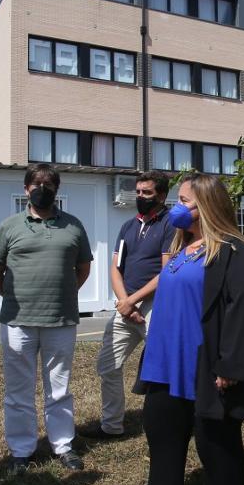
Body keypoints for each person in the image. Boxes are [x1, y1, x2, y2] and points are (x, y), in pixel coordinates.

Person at [134, 173, 244, 485]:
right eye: (177, 200)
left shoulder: (235, 250)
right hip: (166, 359)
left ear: (207, 206)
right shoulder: (182, 247)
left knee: (215, 438)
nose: (176, 208)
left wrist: (230, 365)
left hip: (205, 362)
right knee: (161, 426)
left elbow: (243, 312)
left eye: (184, 202)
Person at [0, 164, 93, 474]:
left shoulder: (73, 226)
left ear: (57, 190)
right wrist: (12, 297)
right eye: (36, 183)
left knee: (59, 388)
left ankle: (63, 446)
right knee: (18, 389)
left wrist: (63, 294)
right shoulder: (9, 226)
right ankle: (21, 451)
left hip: (61, 319)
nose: (42, 188)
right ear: (25, 188)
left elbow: (83, 268)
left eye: (48, 184)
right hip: (18, 320)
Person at [89, 170, 175, 439]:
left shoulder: (171, 224)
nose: (140, 197)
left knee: (165, 371)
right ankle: (111, 426)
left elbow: (168, 271)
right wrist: (124, 302)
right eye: (138, 192)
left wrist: (134, 301)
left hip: (155, 308)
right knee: (107, 365)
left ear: (161, 196)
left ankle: (172, 424)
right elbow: (116, 268)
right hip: (126, 307)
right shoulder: (128, 226)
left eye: (147, 193)